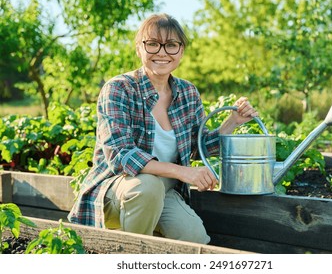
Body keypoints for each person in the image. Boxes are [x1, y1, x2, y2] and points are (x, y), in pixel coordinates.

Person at [67, 13, 258, 245]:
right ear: (139, 48)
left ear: (181, 51)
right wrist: (182, 172)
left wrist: (233, 121)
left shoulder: (187, 92)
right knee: (148, 187)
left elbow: (198, 148)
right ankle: (130, 258)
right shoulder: (119, 89)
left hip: (164, 190)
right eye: (153, 44)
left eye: (171, 45)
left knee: (193, 238)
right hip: (116, 189)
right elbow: (120, 155)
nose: (162, 52)